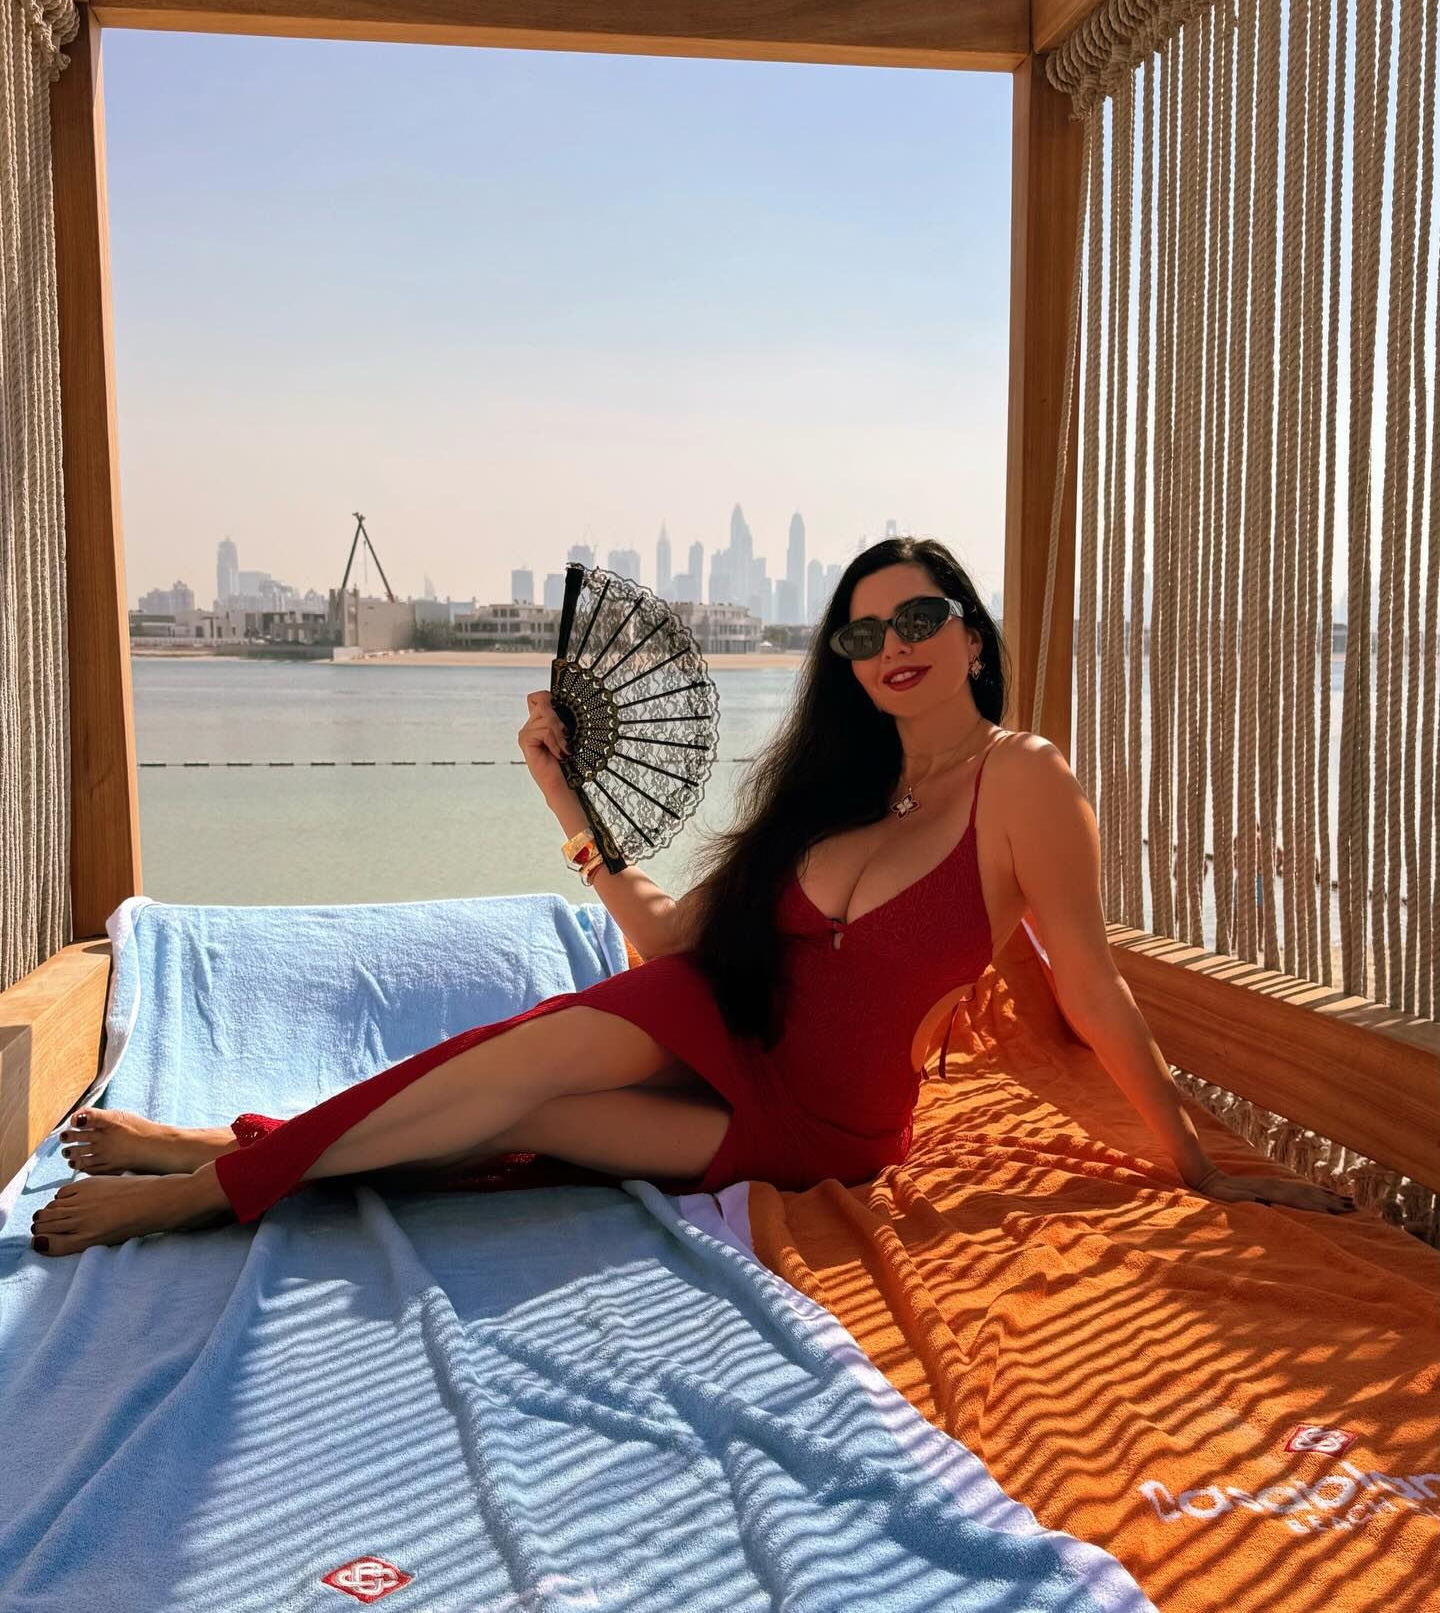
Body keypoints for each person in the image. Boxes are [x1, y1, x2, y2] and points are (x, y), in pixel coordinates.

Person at [30, 537, 1358, 1255]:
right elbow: (673, 934)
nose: (890, 648)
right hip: (711, 1017)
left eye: (918, 619)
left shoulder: (1024, 779)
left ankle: (231, 1159)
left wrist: (1195, 1163)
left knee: (524, 1122)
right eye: (862, 633)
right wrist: (565, 803)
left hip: (827, 1124)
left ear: (970, 632)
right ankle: (217, 1176)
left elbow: (1096, 984)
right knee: (510, 1061)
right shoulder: (834, 795)